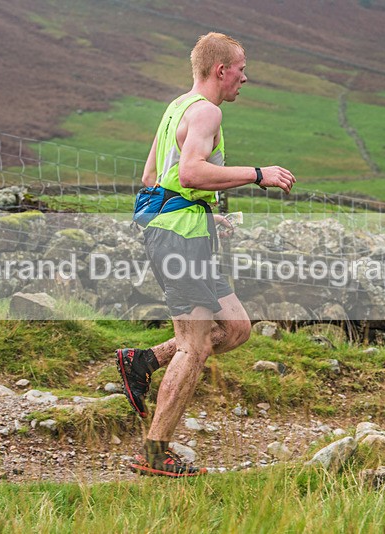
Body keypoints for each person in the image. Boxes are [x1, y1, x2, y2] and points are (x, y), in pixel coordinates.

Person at [116, 32, 296, 477]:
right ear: (221, 70)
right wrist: (259, 174)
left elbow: (153, 175)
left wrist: (199, 212)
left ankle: (142, 361)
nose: (244, 77)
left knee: (235, 329)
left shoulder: (178, 106)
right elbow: (193, 171)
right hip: (180, 239)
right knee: (194, 346)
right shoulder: (207, 111)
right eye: (241, 69)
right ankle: (155, 452)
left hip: (186, 229)